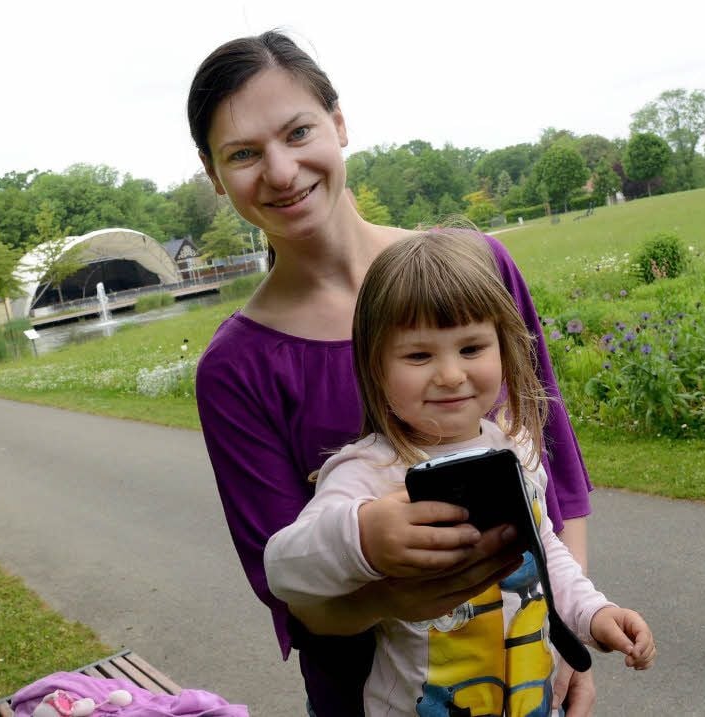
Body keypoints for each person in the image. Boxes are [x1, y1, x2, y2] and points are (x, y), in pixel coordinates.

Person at [189, 30, 596, 715]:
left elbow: (556, 468)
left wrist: (563, 635)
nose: (282, 171)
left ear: (339, 123)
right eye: (244, 155)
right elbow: (290, 588)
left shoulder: (475, 267)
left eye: (298, 131)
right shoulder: (235, 367)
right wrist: (390, 589)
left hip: (526, 676)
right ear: (215, 174)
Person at [264, 230, 656, 715]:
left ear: (504, 349)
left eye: (471, 348)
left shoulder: (513, 449)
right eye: (419, 355)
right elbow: (283, 570)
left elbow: (544, 552)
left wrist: (593, 613)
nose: (450, 374)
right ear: (375, 367)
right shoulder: (366, 472)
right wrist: (363, 537)